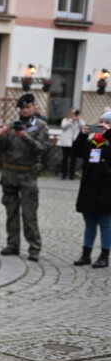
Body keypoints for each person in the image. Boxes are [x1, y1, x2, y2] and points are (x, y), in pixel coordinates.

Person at [0, 93, 49, 261]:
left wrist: (26, 137)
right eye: (22, 108)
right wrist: (1, 136)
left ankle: (34, 247)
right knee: (11, 212)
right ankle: (12, 244)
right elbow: (1, 149)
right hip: (9, 174)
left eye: (27, 108)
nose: (24, 111)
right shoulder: (11, 126)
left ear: (33, 107)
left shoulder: (40, 126)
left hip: (28, 175)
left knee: (29, 214)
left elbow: (42, 149)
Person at [69, 116, 111, 268]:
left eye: (107, 123)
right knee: (90, 222)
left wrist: (107, 133)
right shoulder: (92, 142)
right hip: (89, 187)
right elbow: (75, 152)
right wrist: (83, 134)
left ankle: (104, 256)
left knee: (106, 223)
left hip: (106, 189)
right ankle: (86, 254)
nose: (102, 125)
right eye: (101, 122)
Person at [58, 108, 85, 180]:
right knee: (65, 158)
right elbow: (63, 127)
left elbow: (84, 127)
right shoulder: (65, 120)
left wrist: (79, 119)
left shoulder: (78, 122)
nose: (74, 114)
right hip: (66, 142)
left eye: (75, 113)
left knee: (73, 159)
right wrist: (71, 120)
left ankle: (71, 175)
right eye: (73, 113)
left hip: (74, 142)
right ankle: (64, 174)